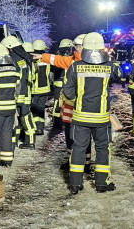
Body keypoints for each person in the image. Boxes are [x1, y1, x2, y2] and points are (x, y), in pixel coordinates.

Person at [63, 32, 122, 194]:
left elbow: (67, 92)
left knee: (78, 148)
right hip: (101, 118)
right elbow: (120, 75)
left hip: (80, 117)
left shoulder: (75, 66)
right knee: (103, 148)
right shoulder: (109, 66)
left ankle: (75, 184)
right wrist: (111, 58)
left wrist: (79, 101)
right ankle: (102, 183)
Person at [33, 34, 92, 172]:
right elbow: (57, 59)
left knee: (83, 135)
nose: (76, 49)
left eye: (78, 46)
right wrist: (42, 57)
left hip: (84, 106)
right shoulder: (72, 60)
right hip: (70, 106)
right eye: (75, 47)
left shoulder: (91, 63)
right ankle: (72, 160)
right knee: (70, 135)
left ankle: (86, 163)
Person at [1, 36, 36, 149]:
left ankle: (15, 141)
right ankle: (29, 140)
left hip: (16, 94)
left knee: (15, 118)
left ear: (10, 48)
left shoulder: (12, 60)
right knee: (25, 117)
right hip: (26, 93)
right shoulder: (24, 58)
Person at [51, 39, 74, 129]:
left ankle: (58, 122)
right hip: (64, 84)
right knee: (63, 103)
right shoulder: (67, 57)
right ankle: (60, 122)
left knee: (58, 103)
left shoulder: (56, 56)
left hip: (58, 84)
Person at [31, 40, 52, 135]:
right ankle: (40, 128)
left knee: (34, 110)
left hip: (34, 90)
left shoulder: (31, 61)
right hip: (45, 89)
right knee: (41, 109)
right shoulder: (46, 60)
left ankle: (35, 127)